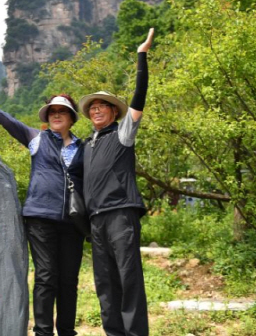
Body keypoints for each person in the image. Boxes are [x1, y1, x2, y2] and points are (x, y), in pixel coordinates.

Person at [0, 88, 85, 336]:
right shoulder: (37, 138)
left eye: (62, 111)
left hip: (73, 221)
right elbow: (9, 122)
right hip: (40, 218)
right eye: (53, 112)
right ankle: (43, 332)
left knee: (69, 281)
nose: (57, 115)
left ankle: (67, 331)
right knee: (47, 276)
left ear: (72, 117)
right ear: (47, 117)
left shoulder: (84, 147)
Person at [78, 28, 154, 336]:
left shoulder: (122, 135)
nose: (96, 110)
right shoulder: (86, 145)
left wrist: (141, 56)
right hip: (96, 221)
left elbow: (139, 99)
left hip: (122, 214)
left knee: (128, 279)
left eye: (102, 106)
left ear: (113, 112)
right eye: (92, 107)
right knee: (105, 283)